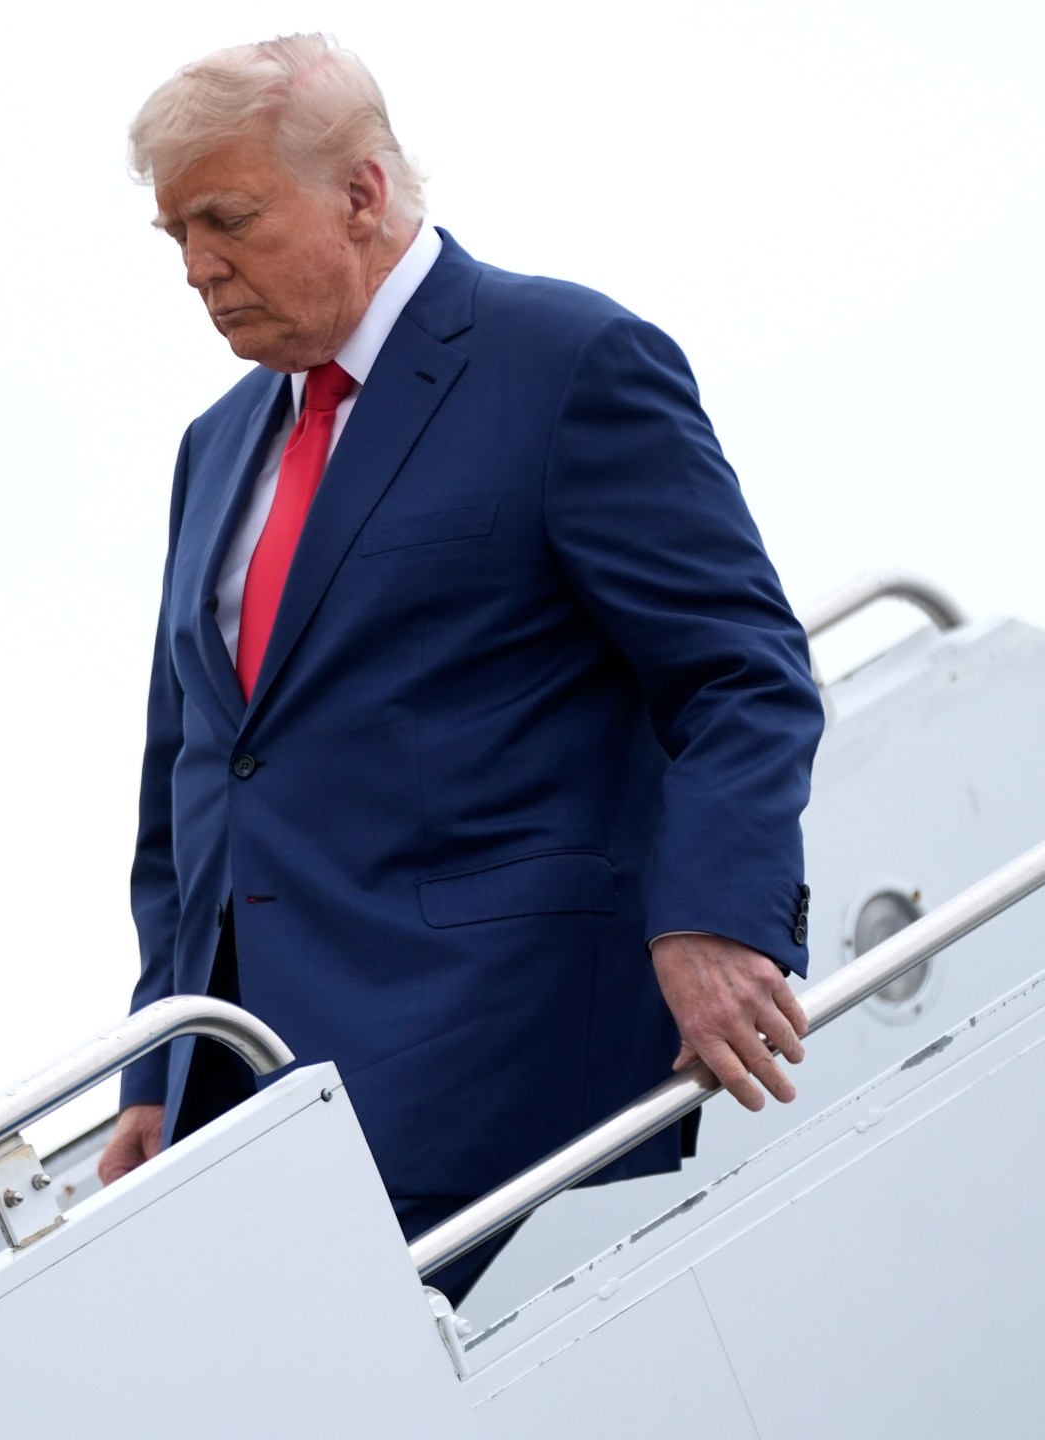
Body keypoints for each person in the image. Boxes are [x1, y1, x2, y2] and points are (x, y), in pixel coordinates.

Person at [98, 34, 825, 1305]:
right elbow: (197, 784)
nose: (201, 269)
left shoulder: (566, 362)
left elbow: (741, 671)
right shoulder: (214, 447)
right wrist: (161, 1068)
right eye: (176, 241)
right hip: (253, 1100)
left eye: (227, 221)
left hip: (506, 1066)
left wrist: (712, 917)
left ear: (362, 195)